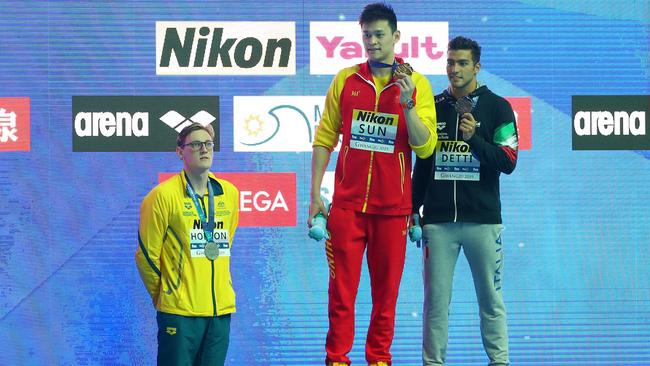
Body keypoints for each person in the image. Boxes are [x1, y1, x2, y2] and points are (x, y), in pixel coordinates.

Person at [309, 3, 438, 365]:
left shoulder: (418, 84)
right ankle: (336, 358)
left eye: (380, 35)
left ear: (396, 37)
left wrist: (408, 101)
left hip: (393, 211)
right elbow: (324, 139)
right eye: (367, 35)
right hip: (347, 209)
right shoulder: (346, 79)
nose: (372, 41)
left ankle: (379, 358)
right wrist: (313, 195)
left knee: (386, 298)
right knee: (341, 294)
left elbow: (425, 146)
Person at [411, 36, 518, 366]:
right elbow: (424, 162)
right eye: (449, 62)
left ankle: (499, 362)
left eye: (461, 63)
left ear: (476, 67)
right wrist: (413, 209)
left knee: (491, 299)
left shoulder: (498, 106)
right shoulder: (434, 105)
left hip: (483, 222)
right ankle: (433, 362)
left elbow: (509, 160)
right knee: (435, 302)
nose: (453, 69)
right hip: (439, 224)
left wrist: (475, 141)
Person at [135, 123, 239, 366]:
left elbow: (225, 245)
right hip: (180, 313)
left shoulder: (229, 194)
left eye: (208, 144)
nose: (204, 149)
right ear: (180, 151)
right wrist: (165, 295)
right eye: (195, 144)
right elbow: (146, 255)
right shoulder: (162, 196)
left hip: (220, 312)